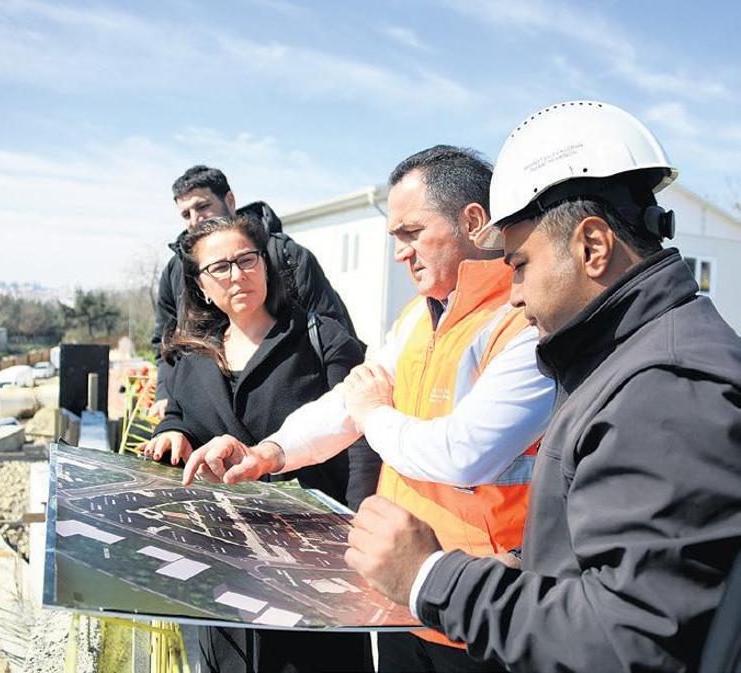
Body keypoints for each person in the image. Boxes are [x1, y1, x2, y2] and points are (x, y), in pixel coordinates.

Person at [345, 101, 741, 672]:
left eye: (522, 264)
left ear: (593, 246)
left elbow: (630, 642)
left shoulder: (667, 386)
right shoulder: (630, 358)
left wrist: (433, 577)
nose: (512, 292)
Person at [183, 146, 556, 672]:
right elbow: (344, 406)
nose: (401, 253)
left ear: (474, 222)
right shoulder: (418, 319)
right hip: (404, 596)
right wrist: (269, 453)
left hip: (484, 607)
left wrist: (375, 414)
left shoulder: (524, 325)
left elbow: (465, 452)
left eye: (411, 233)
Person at [143, 214, 372, 673]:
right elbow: (183, 417)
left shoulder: (319, 338)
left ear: (265, 265)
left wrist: (360, 527)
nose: (237, 274)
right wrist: (172, 432)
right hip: (223, 561)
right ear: (202, 286)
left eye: (247, 260)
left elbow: (362, 437)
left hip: (312, 560)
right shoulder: (191, 356)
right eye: (219, 268)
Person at [149, 165, 360, 420]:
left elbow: (333, 329)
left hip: (294, 412)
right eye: (186, 213)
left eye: (202, 206)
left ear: (229, 200)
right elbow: (167, 340)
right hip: (211, 416)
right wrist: (168, 400)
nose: (195, 219)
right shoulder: (176, 270)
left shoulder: (286, 255)